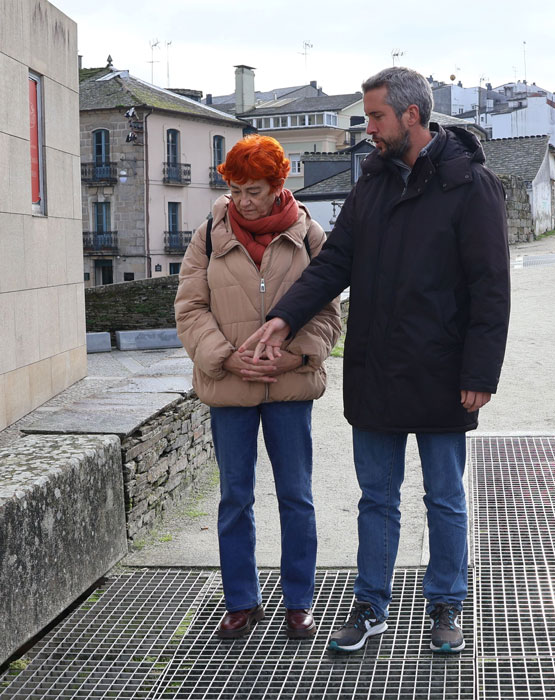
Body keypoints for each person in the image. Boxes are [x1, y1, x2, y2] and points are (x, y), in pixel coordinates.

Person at [240, 67, 510, 654]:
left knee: (444, 497)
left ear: (412, 115)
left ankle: (446, 603)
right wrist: (284, 319)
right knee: (376, 498)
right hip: (376, 368)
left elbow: (491, 287)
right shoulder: (373, 182)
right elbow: (334, 262)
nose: (368, 128)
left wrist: (480, 373)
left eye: (376, 116)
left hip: (443, 370)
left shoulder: (472, 184)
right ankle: (371, 606)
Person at [175, 135, 341, 641]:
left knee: (296, 496)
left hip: (289, 387)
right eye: (235, 190)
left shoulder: (310, 235)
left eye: (254, 191)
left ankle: (299, 602)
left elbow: (329, 311)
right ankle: (241, 601)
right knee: (235, 498)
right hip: (229, 388)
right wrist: (225, 358)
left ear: (277, 185)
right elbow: (189, 308)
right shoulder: (208, 235)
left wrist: (298, 354)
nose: (243, 201)